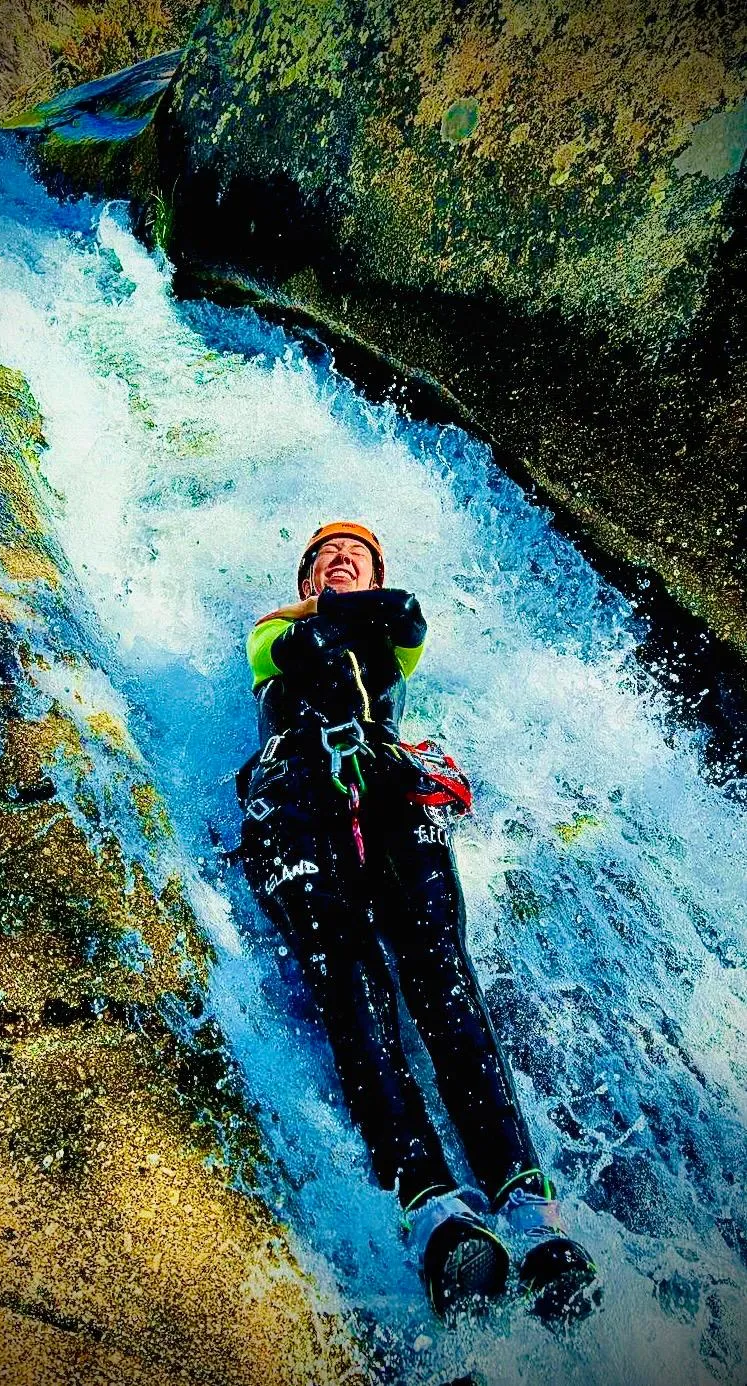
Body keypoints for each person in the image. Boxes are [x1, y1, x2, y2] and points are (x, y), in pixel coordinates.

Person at [237, 522, 596, 1319]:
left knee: (442, 975)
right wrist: (323, 613)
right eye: (325, 556)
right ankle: (431, 1209)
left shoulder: (398, 636)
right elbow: (293, 646)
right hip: (294, 795)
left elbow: (403, 618)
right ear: (305, 581)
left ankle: (530, 1210)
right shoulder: (268, 636)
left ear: (374, 574)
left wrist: (358, 606)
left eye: (355, 555)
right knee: (349, 977)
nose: (340, 559)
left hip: (392, 790)